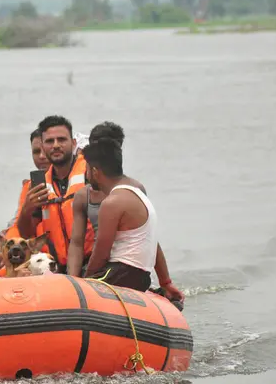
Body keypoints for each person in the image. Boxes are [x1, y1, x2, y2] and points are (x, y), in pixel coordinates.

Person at [81, 139, 183, 300]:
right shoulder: (138, 195)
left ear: (95, 171)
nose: (85, 175)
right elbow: (154, 244)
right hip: (141, 277)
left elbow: (101, 253)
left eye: (86, 170)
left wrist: (83, 284)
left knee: (77, 285)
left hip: (119, 273)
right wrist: (165, 282)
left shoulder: (112, 203)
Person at [17, 115, 94, 272]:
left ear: (73, 143)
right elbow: (27, 234)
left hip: (93, 263)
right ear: (44, 147)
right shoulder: (38, 185)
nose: (56, 145)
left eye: (62, 140)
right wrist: (27, 209)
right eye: (50, 141)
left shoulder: (90, 172)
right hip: (58, 267)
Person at [67, 122, 124, 277]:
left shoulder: (130, 192)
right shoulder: (83, 196)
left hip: (125, 265)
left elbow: (149, 239)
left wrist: (165, 281)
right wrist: (73, 280)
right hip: (98, 266)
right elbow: (77, 243)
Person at [3, 128, 50, 233]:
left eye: (45, 150)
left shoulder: (76, 180)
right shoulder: (30, 187)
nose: (42, 156)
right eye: (36, 152)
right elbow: (22, 231)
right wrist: (27, 209)